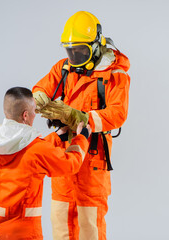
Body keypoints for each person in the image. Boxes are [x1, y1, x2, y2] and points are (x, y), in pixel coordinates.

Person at [33, 11, 130, 240]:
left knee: (89, 225)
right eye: (71, 50)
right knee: (61, 221)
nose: (74, 55)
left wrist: (81, 118)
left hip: (93, 159)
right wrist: (41, 101)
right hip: (64, 155)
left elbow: (118, 113)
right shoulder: (63, 69)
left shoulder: (115, 75)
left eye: (80, 50)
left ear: (96, 46)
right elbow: (39, 89)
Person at [0, 87, 92, 240]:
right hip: (20, 229)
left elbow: (25, 154)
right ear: (25, 115)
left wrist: (57, 137)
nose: (36, 114)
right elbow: (69, 164)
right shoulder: (36, 150)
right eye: (34, 110)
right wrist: (82, 137)